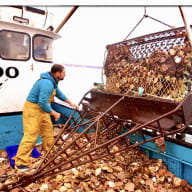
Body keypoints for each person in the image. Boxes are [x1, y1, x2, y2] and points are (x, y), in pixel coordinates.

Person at [15, 64, 78, 171]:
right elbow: (42, 102)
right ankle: (20, 163)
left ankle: (49, 153)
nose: (65, 74)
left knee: (48, 132)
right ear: (57, 73)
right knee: (31, 136)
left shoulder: (52, 82)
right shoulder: (47, 83)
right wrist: (54, 113)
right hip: (33, 109)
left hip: (42, 110)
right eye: (63, 72)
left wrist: (71, 103)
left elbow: (59, 94)